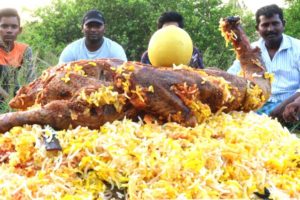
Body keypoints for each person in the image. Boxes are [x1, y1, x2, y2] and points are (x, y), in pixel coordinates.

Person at [227, 4, 300, 122]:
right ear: (257, 28)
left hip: (291, 106)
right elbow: (231, 75)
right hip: (258, 106)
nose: (270, 29)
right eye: (265, 25)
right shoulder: (250, 50)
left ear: (283, 24)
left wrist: (289, 104)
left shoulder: (297, 48)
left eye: (275, 23)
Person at [58, 9, 127, 64]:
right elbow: (59, 74)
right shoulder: (71, 50)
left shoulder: (115, 50)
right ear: (82, 28)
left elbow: (125, 75)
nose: (93, 29)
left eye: (98, 26)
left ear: (105, 28)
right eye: (89, 26)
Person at [0, 8, 35, 102]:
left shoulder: (24, 49)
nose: (9, 30)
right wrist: (10, 100)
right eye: (4, 26)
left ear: (19, 30)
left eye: (13, 27)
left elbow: (31, 78)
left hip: (15, 95)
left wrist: (28, 97)